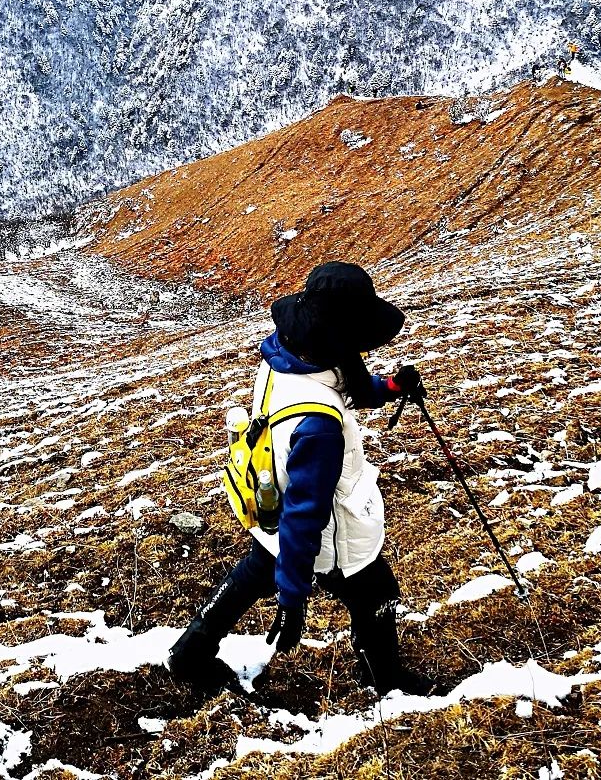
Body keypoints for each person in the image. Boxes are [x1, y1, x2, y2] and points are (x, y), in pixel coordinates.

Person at [167, 261, 436, 697]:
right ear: (340, 337)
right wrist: (292, 600)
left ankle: (191, 651)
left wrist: (391, 387)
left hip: (268, 488)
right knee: (376, 594)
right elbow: (305, 517)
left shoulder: (286, 352)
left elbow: (349, 383)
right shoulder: (319, 425)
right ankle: (384, 682)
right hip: (332, 538)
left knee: (260, 564)